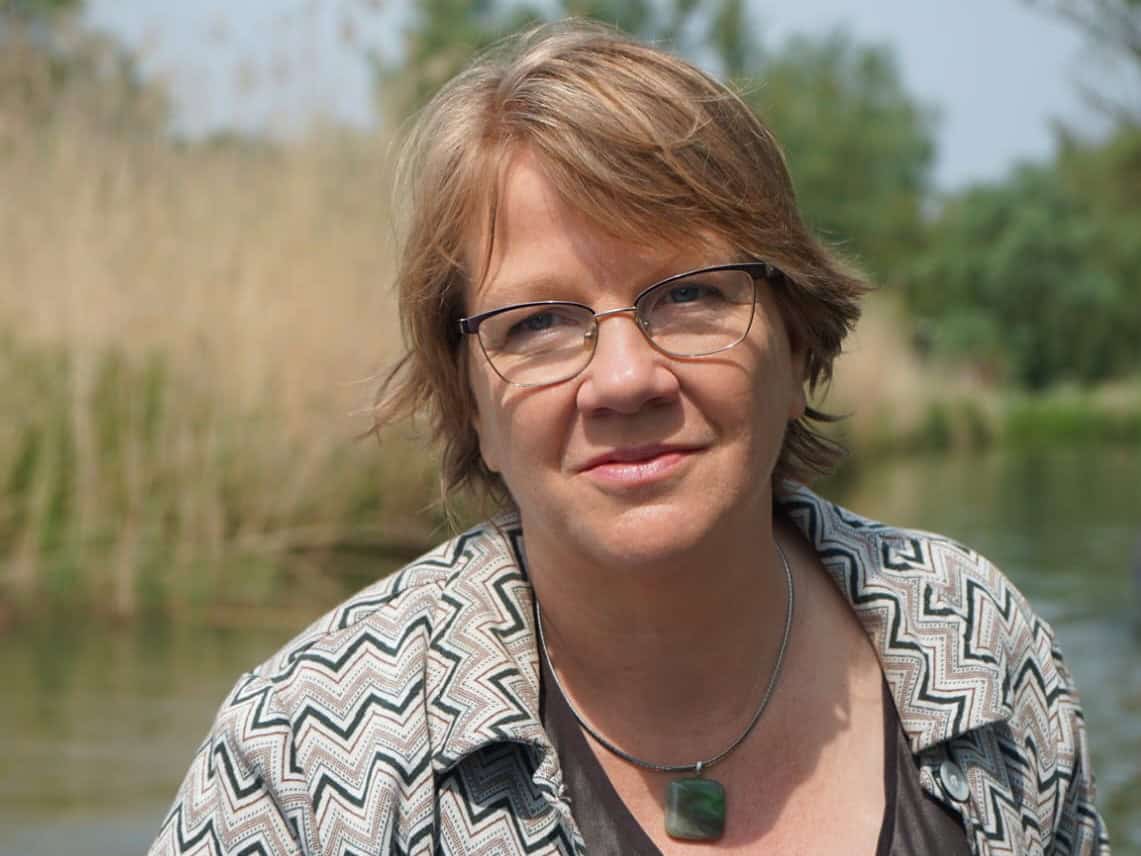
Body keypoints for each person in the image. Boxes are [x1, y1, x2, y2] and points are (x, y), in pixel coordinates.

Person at [149, 20, 1109, 856]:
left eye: (688, 295)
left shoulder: (972, 640)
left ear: (795, 343)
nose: (623, 378)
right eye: (536, 323)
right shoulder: (307, 753)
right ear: (470, 405)